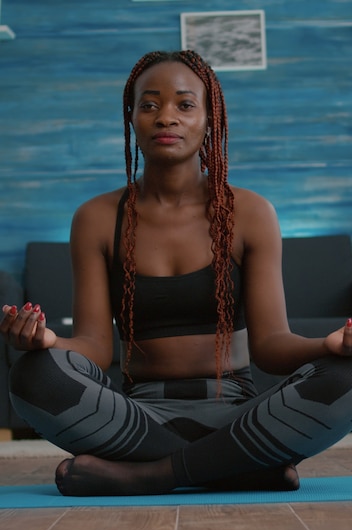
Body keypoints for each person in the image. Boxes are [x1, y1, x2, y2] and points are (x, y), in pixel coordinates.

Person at [1, 50, 352, 497]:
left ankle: (149, 476)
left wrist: (330, 346)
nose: (166, 117)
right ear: (131, 118)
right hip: (137, 419)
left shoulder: (249, 212)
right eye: (149, 104)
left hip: (239, 413)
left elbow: (270, 347)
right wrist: (48, 342)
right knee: (32, 374)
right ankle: (237, 467)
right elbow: (93, 346)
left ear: (210, 118)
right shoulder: (96, 218)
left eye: (185, 105)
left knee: (348, 374)